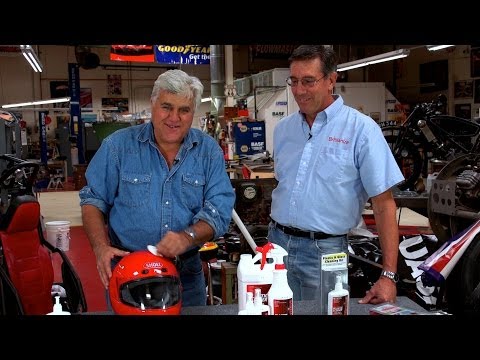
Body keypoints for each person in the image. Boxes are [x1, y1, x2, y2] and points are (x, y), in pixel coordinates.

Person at [79, 69, 235, 307]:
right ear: (152, 104)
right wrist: (100, 248)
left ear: (193, 112)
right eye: (166, 106)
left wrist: (188, 236)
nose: (174, 117)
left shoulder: (208, 151)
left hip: (186, 277)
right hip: (129, 273)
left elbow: (220, 209)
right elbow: (93, 200)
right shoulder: (117, 147)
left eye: (184, 110)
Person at [267, 45, 404, 305]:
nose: (298, 91)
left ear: (331, 79)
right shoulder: (283, 130)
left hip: (324, 252)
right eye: (293, 81)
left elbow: (384, 205)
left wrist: (388, 275)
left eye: (308, 81)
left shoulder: (362, 130)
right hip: (277, 245)